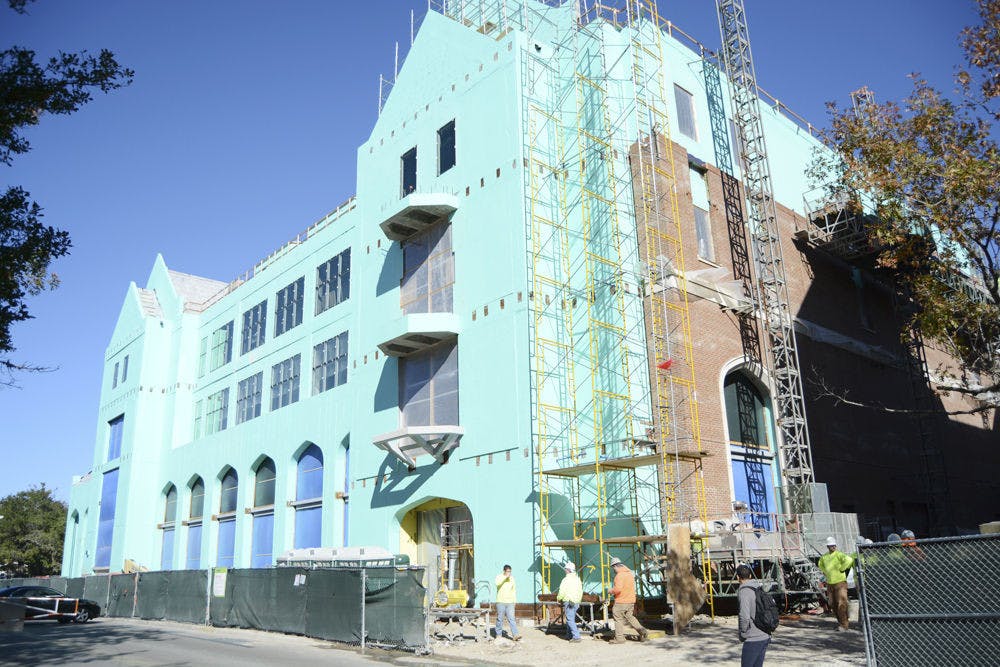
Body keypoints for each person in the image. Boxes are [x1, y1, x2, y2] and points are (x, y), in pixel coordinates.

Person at [736, 564, 770, 667]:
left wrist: (743, 633)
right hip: (765, 635)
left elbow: (745, 617)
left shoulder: (744, 592)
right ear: (750, 576)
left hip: (753, 638)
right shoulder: (758, 587)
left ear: (738, 577)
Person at [818, 536, 854, 631]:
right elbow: (820, 564)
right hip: (830, 583)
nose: (833, 547)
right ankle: (840, 622)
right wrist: (825, 571)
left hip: (840, 583)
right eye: (830, 546)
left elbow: (849, 560)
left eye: (834, 545)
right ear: (828, 547)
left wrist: (842, 568)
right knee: (832, 603)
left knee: (841, 603)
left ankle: (844, 625)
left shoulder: (839, 554)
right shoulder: (824, 557)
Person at [609, 557, 648, 643]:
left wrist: (610, 591)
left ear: (615, 566)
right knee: (631, 617)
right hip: (631, 601)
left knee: (618, 619)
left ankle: (619, 638)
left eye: (613, 567)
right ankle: (642, 631)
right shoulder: (629, 574)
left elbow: (618, 589)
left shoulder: (619, 576)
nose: (613, 569)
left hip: (621, 601)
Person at [556, 561, 583, 642]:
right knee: (571, 619)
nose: (565, 570)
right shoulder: (577, 579)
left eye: (565, 569)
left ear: (568, 570)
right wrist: (578, 600)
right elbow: (580, 591)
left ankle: (576, 637)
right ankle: (569, 635)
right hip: (576, 602)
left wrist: (558, 598)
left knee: (570, 620)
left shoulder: (566, 580)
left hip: (569, 601)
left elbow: (562, 591)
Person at [494, 564, 521, 641]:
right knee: (500, 619)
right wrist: (505, 577)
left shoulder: (512, 578)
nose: (509, 573)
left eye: (510, 571)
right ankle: (498, 634)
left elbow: (514, 590)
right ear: (504, 571)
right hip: (500, 601)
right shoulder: (499, 577)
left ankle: (515, 635)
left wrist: (514, 601)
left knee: (512, 618)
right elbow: (497, 583)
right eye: (508, 571)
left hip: (510, 602)